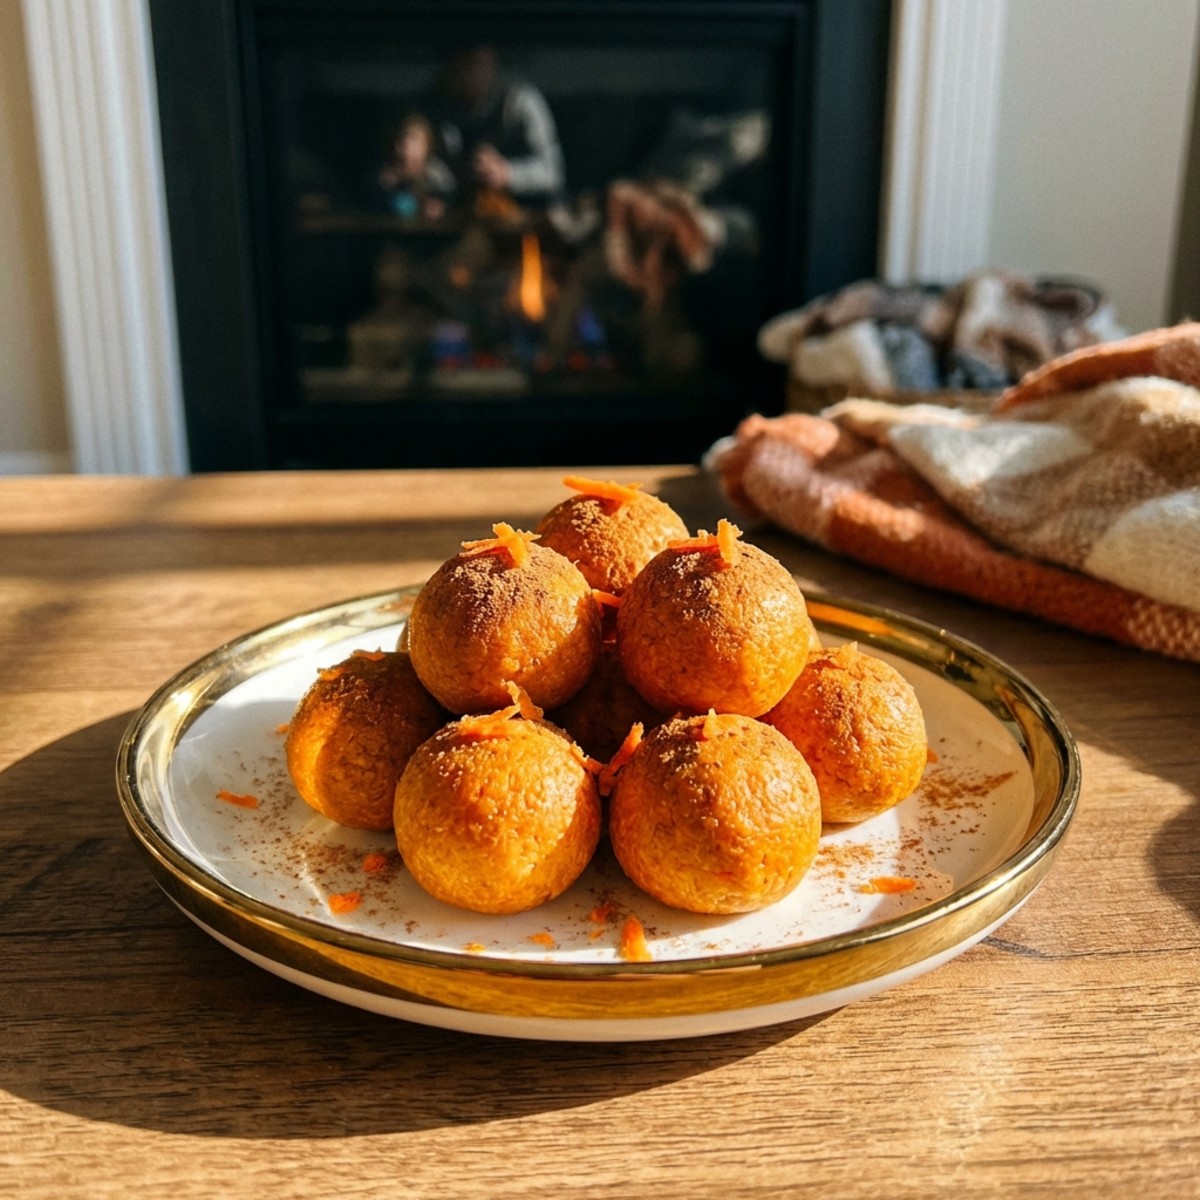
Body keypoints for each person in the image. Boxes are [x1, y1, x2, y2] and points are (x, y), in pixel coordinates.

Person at [426, 46, 564, 206]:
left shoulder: (521, 100)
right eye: (462, 65)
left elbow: (552, 172)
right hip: (468, 211)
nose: (470, 73)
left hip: (532, 211)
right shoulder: (443, 105)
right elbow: (437, 168)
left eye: (477, 62)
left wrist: (507, 173)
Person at [377, 112, 456, 219]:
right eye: (402, 141)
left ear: (427, 145)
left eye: (414, 141)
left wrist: (441, 204)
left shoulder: (435, 169)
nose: (407, 147)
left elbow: (450, 191)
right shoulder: (390, 169)